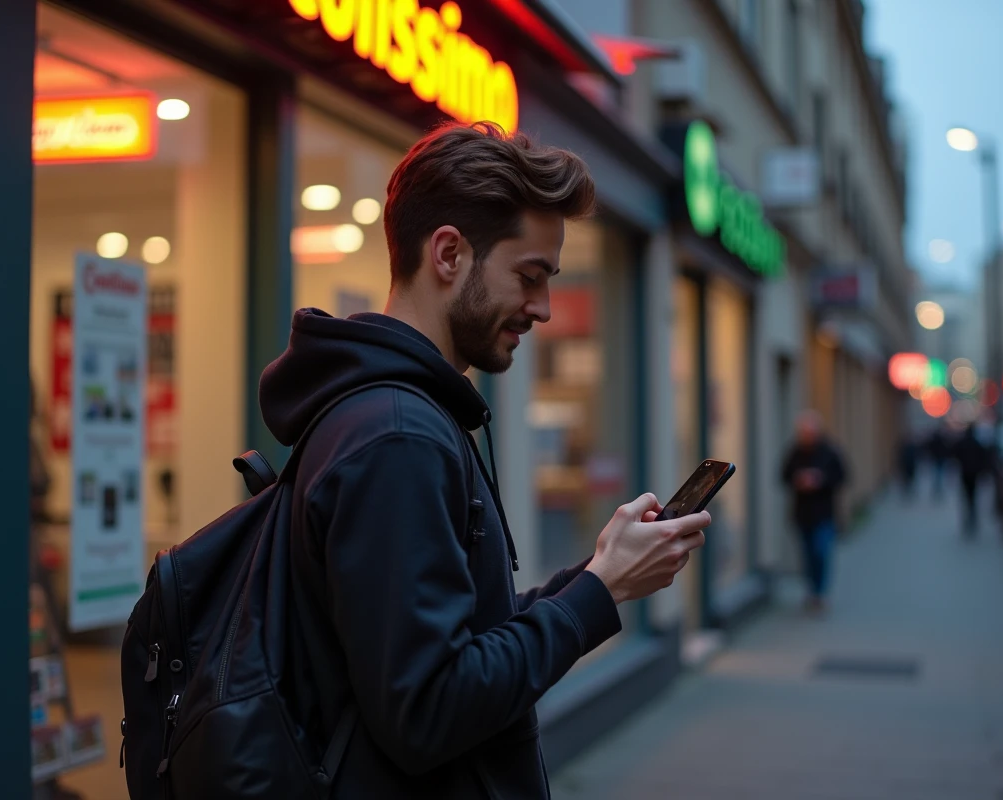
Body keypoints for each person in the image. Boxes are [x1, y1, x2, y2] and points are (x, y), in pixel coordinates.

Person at [257, 122, 710, 799]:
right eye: (529, 277)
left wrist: (596, 574)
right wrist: (599, 595)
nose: (545, 309)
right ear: (448, 254)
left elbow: (457, 635)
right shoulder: (398, 437)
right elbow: (429, 708)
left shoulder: (396, 416)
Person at [782, 411, 848, 611]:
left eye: (809, 432)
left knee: (821, 552)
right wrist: (798, 479)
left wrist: (821, 480)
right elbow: (783, 475)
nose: (806, 436)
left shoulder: (830, 451)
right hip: (802, 514)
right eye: (803, 432)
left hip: (824, 513)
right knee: (808, 555)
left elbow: (843, 476)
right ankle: (812, 591)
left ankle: (820, 592)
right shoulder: (795, 452)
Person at [952, 423, 989, 535]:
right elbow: (984, 458)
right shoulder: (977, 443)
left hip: (965, 474)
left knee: (966, 498)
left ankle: (967, 521)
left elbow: (955, 454)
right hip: (974, 475)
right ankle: (973, 520)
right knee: (973, 499)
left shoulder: (962, 443)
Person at [927, 425, 950, 498]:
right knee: (939, 474)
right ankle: (938, 488)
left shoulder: (934, 441)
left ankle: (937, 488)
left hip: (937, 459)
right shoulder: (943, 441)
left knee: (937, 474)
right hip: (940, 459)